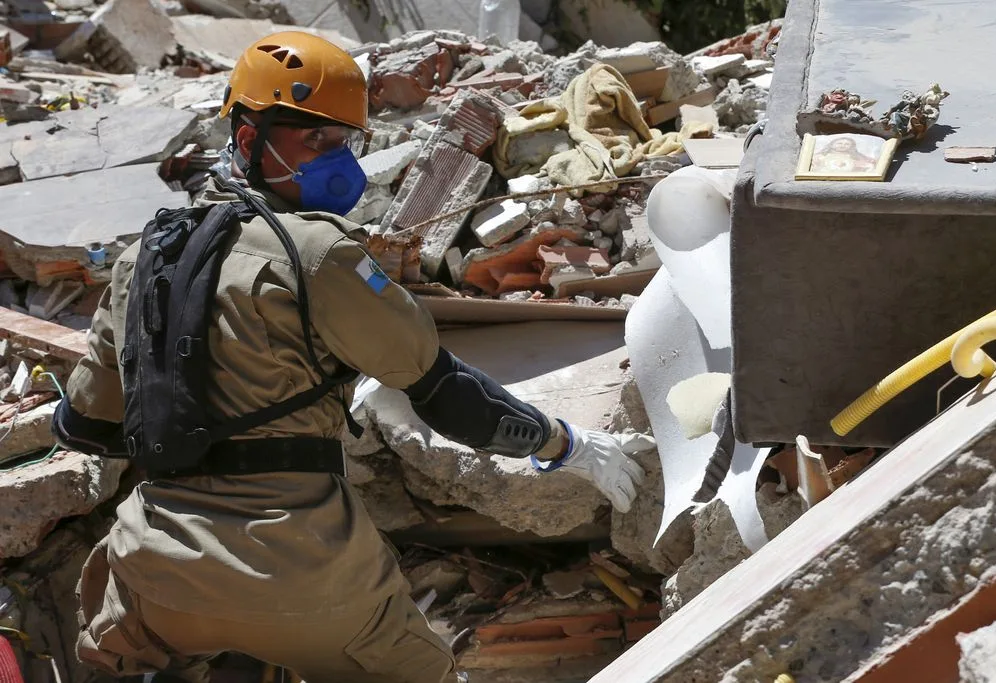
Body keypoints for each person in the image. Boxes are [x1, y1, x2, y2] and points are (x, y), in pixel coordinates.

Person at [52, 31, 654, 683]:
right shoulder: (320, 251)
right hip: (300, 574)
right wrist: (565, 443)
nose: (338, 161)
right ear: (252, 142)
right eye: (316, 140)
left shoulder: (146, 256)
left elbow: (83, 425)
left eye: (343, 142)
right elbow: (446, 395)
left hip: (156, 578)